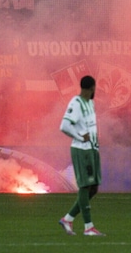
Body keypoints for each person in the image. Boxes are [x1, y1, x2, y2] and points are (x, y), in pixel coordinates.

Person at [58, 75, 105, 236]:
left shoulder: (91, 103)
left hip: (92, 149)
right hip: (81, 149)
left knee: (93, 188)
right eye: (94, 88)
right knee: (85, 186)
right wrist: (79, 136)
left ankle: (68, 218)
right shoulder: (76, 103)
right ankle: (88, 227)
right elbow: (64, 125)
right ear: (91, 88)